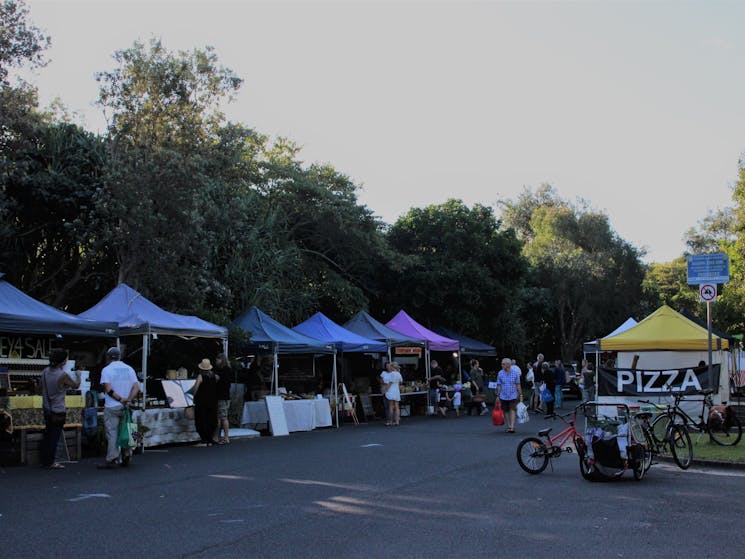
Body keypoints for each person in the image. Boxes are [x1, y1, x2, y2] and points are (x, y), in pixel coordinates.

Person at [98, 347, 140, 469]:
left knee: (112, 433)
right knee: (129, 429)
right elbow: (136, 387)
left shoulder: (106, 370)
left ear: (108, 357)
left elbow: (108, 388)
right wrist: (128, 400)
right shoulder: (129, 369)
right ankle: (128, 455)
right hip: (126, 406)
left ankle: (112, 458)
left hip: (112, 406)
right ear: (119, 357)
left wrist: (120, 399)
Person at [40, 348, 81, 469]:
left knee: (48, 434)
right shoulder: (62, 375)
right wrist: (79, 375)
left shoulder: (45, 371)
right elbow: (76, 386)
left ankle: (45, 459)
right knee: (55, 436)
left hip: (47, 407)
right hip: (58, 409)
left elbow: (40, 386)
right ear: (63, 361)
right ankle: (51, 462)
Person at [193, 358, 219, 446]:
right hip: (212, 401)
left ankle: (203, 440)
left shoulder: (200, 376)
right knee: (211, 419)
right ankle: (209, 439)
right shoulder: (214, 376)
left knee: (201, 420)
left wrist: (194, 395)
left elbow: (196, 388)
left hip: (202, 401)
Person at [495, 357, 523, 433]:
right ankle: (509, 426)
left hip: (513, 395)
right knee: (505, 411)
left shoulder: (515, 373)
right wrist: (497, 396)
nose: (502, 365)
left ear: (508, 364)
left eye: (503, 364)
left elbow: (518, 385)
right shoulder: (500, 373)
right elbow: (499, 385)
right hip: (503, 395)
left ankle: (512, 426)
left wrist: (520, 395)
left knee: (512, 409)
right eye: (502, 364)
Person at [214, 353, 232, 444]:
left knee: (221, 417)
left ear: (221, 360)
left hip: (222, 396)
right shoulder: (228, 369)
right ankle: (222, 436)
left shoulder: (223, 370)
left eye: (217, 359)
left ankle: (222, 437)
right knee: (222, 417)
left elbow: (216, 379)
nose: (216, 361)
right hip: (225, 396)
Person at [385, 361, 403, 426]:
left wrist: (386, 390)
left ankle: (390, 421)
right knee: (397, 406)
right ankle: (397, 421)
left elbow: (390, 383)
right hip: (396, 391)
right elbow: (401, 382)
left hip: (391, 390)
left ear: (392, 367)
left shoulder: (392, 374)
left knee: (391, 406)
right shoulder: (399, 374)